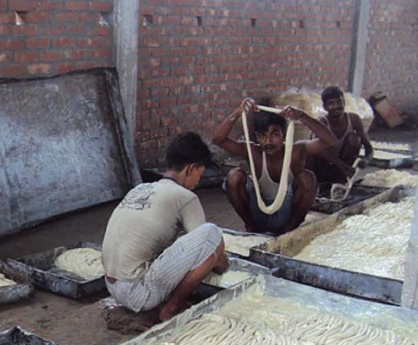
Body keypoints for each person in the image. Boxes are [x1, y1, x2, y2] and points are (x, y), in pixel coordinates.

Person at [101, 132, 229, 322]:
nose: (198, 182)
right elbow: (209, 244)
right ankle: (171, 308)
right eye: (199, 175)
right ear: (190, 169)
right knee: (212, 233)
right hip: (138, 294)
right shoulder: (185, 197)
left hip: (111, 287)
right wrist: (221, 262)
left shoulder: (140, 189)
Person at [213, 97, 337, 234]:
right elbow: (218, 139)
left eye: (274, 134)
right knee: (233, 176)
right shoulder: (253, 152)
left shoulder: (295, 151)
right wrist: (237, 112)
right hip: (257, 214)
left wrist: (301, 116)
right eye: (262, 136)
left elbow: (329, 141)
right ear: (256, 136)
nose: (268, 141)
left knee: (308, 178)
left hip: (286, 215)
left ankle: (288, 232)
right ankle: (251, 227)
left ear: (283, 135)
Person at [306, 86, 374, 184]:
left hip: (342, 169)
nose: (336, 106)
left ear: (344, 102)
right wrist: (340, 165)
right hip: (323, 168)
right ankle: (320, 182)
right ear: (325, 107)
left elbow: (369, 148)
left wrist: (366, 160)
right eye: (331, 104)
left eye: (339, 102)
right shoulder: (322, 123)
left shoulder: (353, 119)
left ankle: (341, 179)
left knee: (354, 139)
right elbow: (315, 151)